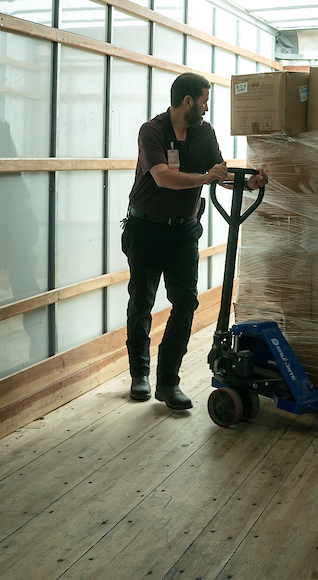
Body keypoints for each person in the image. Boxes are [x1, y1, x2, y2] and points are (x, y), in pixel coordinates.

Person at [122, 72, 267, 410]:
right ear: (187, 101)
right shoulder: (152, 131)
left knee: (185, 302)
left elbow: (220, 174)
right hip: (145, 229)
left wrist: (248, 183)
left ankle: (168, 382)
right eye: (203, 101)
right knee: (141, 303)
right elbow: (162, 177)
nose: (206, 108)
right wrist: (205, 178)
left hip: (184, 231)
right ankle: (139, 373)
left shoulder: (204, 133)